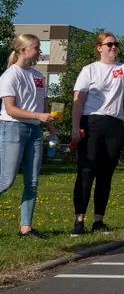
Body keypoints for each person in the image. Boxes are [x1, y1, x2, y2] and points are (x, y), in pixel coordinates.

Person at [71, 31, 124, 236]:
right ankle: (79, 220)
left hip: (114, 124)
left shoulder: (120, 68)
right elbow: (78, 101)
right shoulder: (89, 70)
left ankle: (99, 221)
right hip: (92, 121)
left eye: (116, 44)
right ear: (99, 47)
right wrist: (74, 127)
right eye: (109, 44)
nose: (113, 47)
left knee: (106, 174)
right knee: (87, 172)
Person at [0, 34, 57, 239]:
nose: (39, 51)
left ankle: (26, 228)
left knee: (32, 182)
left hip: (35, 131)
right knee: (6, 180)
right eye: (36, 47)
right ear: (23, 50)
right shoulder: (10, 75)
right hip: (13, 128)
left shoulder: (37, 75)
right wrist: (38, 116)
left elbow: (43, 107)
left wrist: (52, 132)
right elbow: (10, 109)